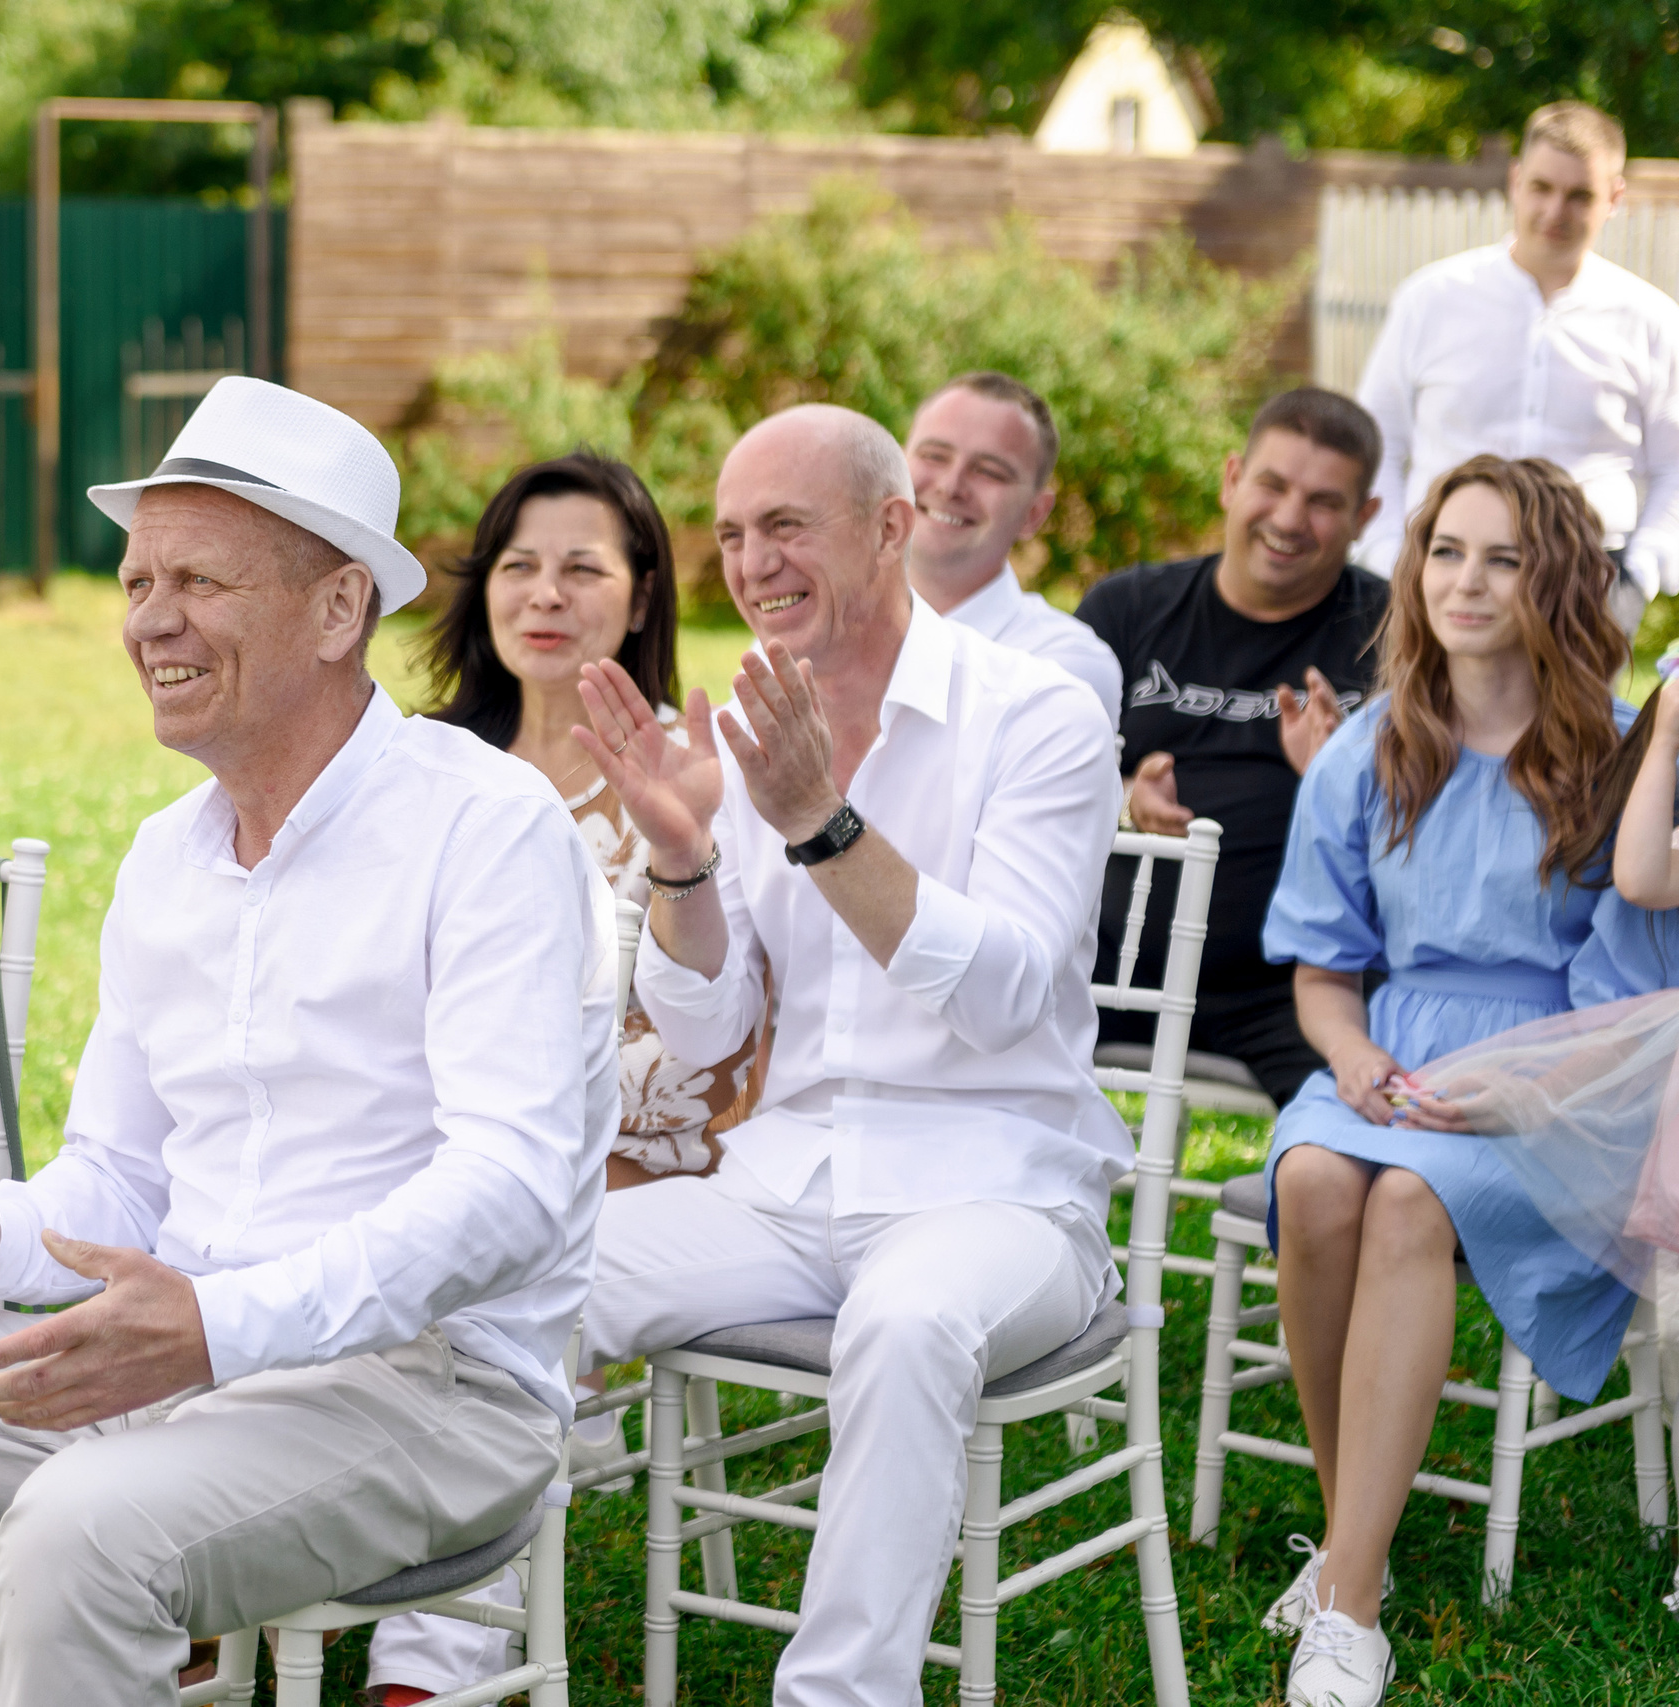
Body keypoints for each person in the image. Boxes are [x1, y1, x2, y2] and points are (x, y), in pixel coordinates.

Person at [0, 377, 621, 1707]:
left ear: (339, 608)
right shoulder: (167, 856)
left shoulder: (487, 828)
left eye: (201, 578)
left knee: (80, 1524)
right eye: (136, 578)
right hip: (164, 1351)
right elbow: (121, 1180)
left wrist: (219, 1324)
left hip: (425, 1390)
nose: (151, 618)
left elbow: (512, 1188)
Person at [569, 404, 1128, 1705]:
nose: (751, 562)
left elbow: (1003, 994)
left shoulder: (1038, 716)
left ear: (892, 525)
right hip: (786, 1182)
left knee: (911, 1315)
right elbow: (712, 1029)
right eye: (729, 535)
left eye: (784, 526)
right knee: (532, 1263)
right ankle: (455, 1652)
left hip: (1003, 1186)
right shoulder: (755, 733)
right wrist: (683, 854)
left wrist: (819, 817)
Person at [365, 451, 764, 1705]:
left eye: (582, 568)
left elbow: (718, 1044)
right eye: (518, 566)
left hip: (634, 1159)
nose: (544, 594)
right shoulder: (414, 767)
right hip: (425, 1142)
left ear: (641, 597)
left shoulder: (698, 775)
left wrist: (678, 845)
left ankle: (430, 1668)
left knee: (485, 1287)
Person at [1256, 455, 1637, 1707]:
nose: (1464, 582)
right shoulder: (1370, 747)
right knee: (1314, 1179)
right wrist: (1355, 1057)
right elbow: (1324, 971)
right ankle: (1347, 1535)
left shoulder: (1619, 756)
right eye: (1445, 552)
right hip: (1394, 1055)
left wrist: (1519, 1085)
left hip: (1566, 1076)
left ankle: (1347, 1603)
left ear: (1559, 582)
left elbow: (1635, 997)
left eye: (1504, 558)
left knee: (1411, 1202)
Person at [1076, 389, 1390, 1108]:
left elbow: (1437, 823)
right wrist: (1121, 795)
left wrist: (1344, 778)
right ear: (1231, 479)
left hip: (1293, 988)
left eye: (1322, 502)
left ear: (1363, 517)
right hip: (1106, 969)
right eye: (1272, 486)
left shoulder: (1394, 633)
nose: (1287, 519)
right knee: (960, 1068)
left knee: (1365, 1133)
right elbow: (1028, 773)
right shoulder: (1125, 609)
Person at [1355, 101, 1679, 626]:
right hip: (1444, 578)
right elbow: (1376, 442)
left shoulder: (1653, 321)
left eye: (1580, 195)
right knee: (1426, 713)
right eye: (1542, 188)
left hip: (1588, 586)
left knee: (1583, 716)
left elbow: (1676, 466)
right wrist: (1391, 559)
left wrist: (1640, 575)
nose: (1556, 212)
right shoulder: (1431, 299)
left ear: (1615, 197)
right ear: (1515, 180)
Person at [903, 370, 1123, 723]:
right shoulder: (816, 620)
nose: (950, 485)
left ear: (1034, 514)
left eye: (989, 471)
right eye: (934, 455)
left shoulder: (1061, 668)